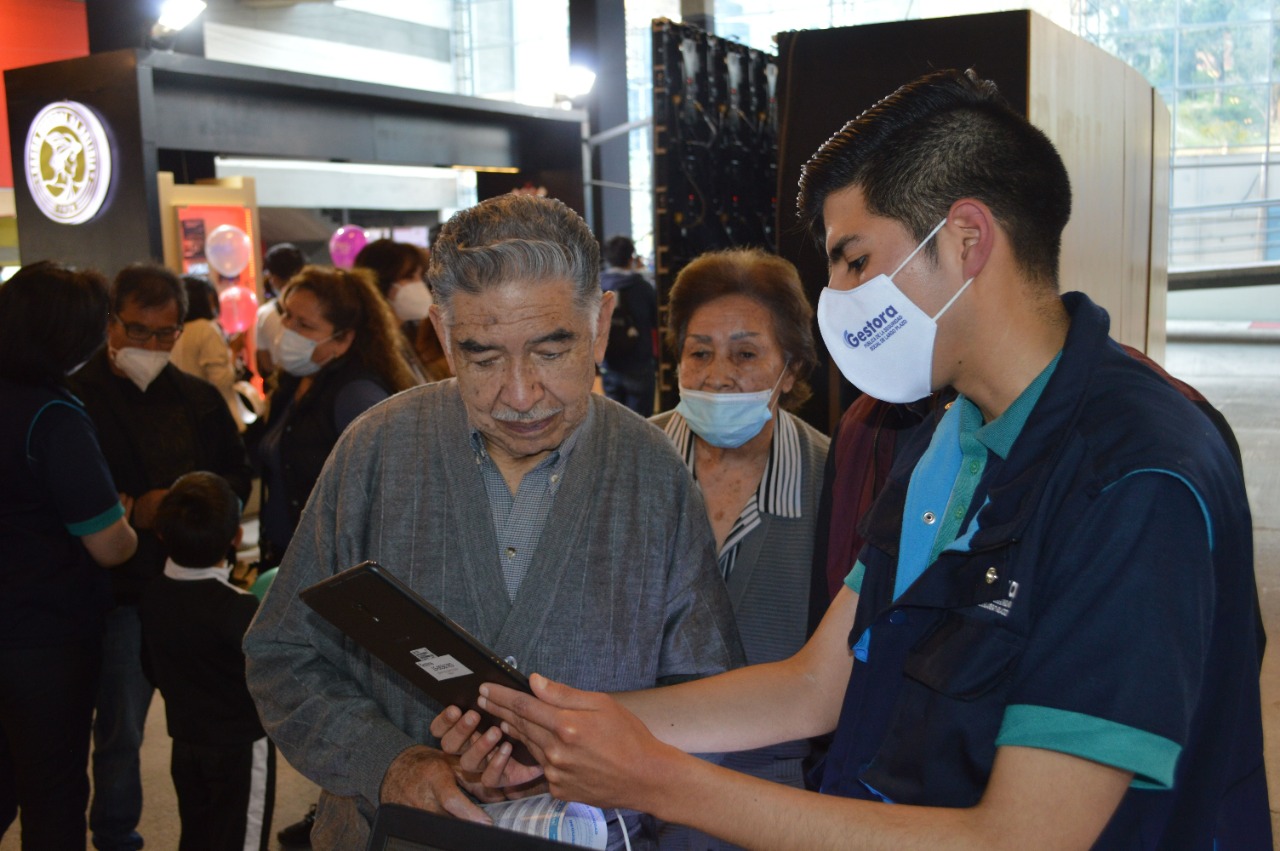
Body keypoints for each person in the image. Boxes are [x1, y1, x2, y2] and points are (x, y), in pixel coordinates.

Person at [450, 69, 1270, 849]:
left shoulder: (1136, 475)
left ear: (967, 239)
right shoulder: (950, 434)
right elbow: (816, 684)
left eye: (854, 260)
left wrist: (656, 779)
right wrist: (569, 728)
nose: (838, 298)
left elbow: (1025, 835)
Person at [243, 193, 744, 851]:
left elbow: (709, 695)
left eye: (551, 352)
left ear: (600, 326)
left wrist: (612, 763)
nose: (520, 393)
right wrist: (392, 763)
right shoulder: (375, 451)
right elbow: (281, 654)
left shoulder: (652, 473)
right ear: (443, 334)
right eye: (482, 359)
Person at [649, 248, 828, 848]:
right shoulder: (626, 463)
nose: (718, 375)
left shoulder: (833, 482)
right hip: (633, 786)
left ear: (791, 369)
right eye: (699, 353)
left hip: (775, 802)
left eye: (746, 354)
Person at [71, 263, 253, 851]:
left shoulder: (197, 398)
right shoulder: (77, 399)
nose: (151, 345)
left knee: (204, 727)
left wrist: (191, 509)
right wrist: (128, 509)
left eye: (165, 333)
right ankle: (115, 832)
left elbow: (237, 476)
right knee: (120, 726)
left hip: (196, 588)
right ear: (111, 324)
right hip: (119, 591)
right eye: (138, 330)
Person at [0, 262, 138, 851]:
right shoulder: (53, 416)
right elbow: (108, 544)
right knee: (52, 792)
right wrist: (128, 524)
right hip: (42, 636)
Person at [139, 472, 274, 851]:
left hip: (185, 740)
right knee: (241, 840)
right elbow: (268, 679)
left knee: (196, 835)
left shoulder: (151, 596)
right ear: (236, 538)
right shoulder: (240, 609)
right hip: (241, 747)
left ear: (161, 533)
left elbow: (149, 667)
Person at [254, 265, 417, 569]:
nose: (287, 329)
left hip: (328, 567)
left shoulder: (356, 396)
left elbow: (392, 494)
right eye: (287, 315)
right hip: (285, 556)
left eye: (304, 325)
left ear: (343, 340)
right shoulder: (293, 382)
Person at [354, 238, 451, 382]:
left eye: (420, 277)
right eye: (409, 277)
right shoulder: (368, 353)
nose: (419, 285)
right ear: (380, 283)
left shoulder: (405, 340)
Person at [170, 275, 245, 431]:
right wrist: (233, 351)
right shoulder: (206, 329)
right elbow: (221, 380)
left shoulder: (173, 332)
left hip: (186, 417)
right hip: (215, 419)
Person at [599, 235, 658, 416]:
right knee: (640, 422)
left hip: (609, 363)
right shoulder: (642, 287)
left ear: (607, 258)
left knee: (613, 420)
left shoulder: (596, 286)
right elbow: (655, 321)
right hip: (639, 364)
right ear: (631, 258)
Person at [255, 243, 306, 379]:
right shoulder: (319, 305)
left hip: (283, 382)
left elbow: (266, 363)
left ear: (273, 277)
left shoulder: (264, 314)